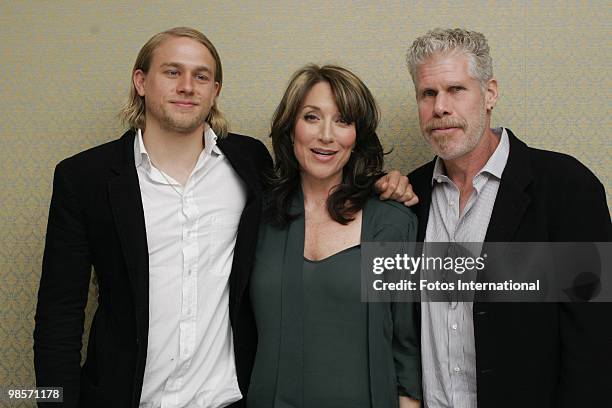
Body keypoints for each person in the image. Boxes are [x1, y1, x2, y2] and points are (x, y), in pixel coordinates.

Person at [33, 27, 417, 408]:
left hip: (231, 401)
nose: (187, 86)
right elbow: (58, 318)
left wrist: (380, 184)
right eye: (171, 72)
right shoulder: (84, 178)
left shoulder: (249, 165)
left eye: (201, 75)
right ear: (141, 82)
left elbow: (326, 177)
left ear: (215, 90)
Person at [404, 28, 611, 408]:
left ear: (490, 94)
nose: (440, 108)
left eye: (456, 89)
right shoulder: (408, 197)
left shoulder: (566, 187)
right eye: (427, 93)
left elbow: (595, 342)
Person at [247, 64, 422, 408]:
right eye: (312, 117)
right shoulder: (257, 218)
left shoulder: (391, 222)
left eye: (343, 121)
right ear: (290, 127)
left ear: (357, 136)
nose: (326, 135)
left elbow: (406, 346)